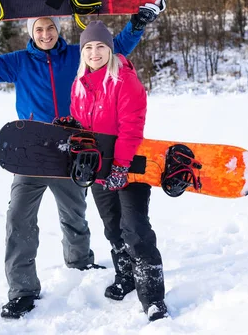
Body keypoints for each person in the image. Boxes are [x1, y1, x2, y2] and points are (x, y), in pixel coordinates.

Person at [0, 2, 165, 319]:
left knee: (75, 215)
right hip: (31, 154)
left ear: (59, 30)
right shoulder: (19, 62)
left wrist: (136, 25)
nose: (45, 34)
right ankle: (23, 291)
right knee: (18, 219)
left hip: (74, 151)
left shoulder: (77, 56)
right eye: (38, 29)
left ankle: (80, 264)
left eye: (50, 27)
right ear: (31, 33)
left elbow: (113, 47)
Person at [67, 21, 168, 321]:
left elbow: (131, 128)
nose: (94, 53)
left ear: (110, 50)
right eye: (88, 47)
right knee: (112, 227)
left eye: (100, 47)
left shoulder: (124, 80)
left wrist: (122, 167)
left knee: (135, 229)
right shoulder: (79, 85)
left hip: (132, 166)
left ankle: (153, 297)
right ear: (82, 52)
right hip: (100, 169)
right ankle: (126, 278)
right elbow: (84, 127)